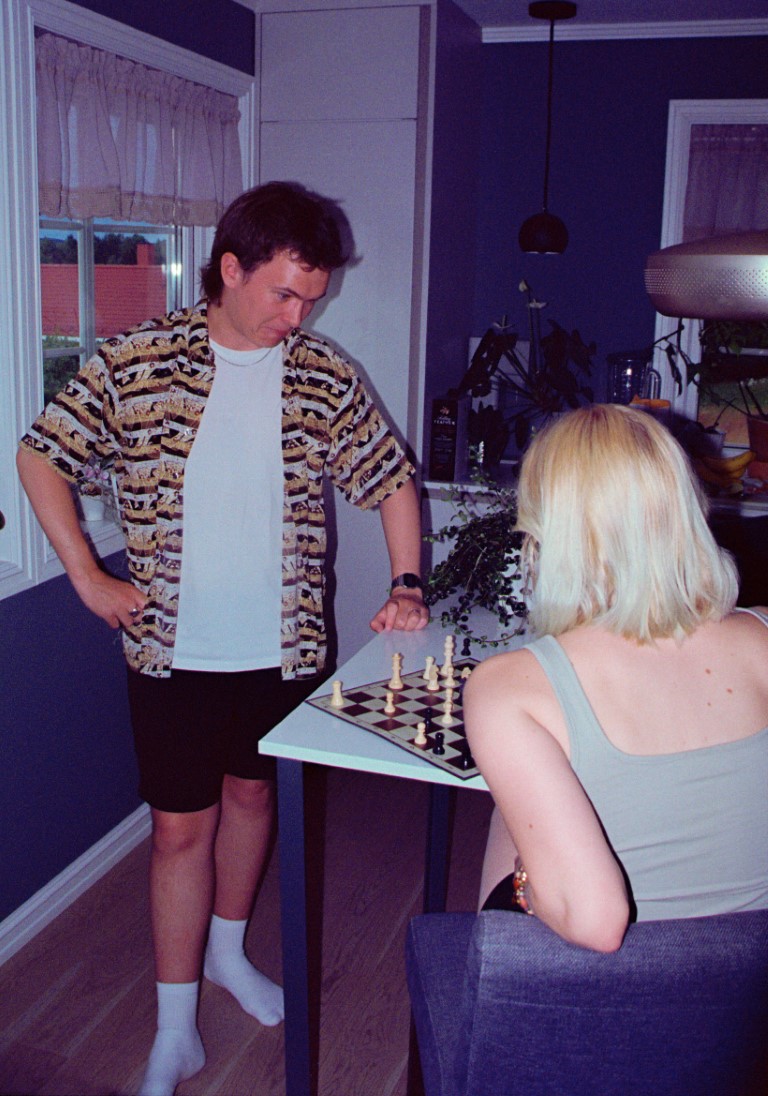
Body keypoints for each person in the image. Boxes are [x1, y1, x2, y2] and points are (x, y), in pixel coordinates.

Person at [17, 181, 429, 1095]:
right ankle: (174, 1028)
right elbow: (42, 453)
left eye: (311, 299)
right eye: (284, 293)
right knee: (178, 832)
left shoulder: (321, 375)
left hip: (285, 645)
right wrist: (85, 574)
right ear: (230, 269)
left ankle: (230, 956)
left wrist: (405, 582)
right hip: (172, 649)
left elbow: (390, 477)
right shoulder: (137, 360)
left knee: (252, 799)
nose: (297, 316)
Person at [463, 403, 768, 953]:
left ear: (545, 534)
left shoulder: (509, 687)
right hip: (754, 994)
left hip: (618, 995)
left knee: (509, 820)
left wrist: (525, 876)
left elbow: (598, 923)